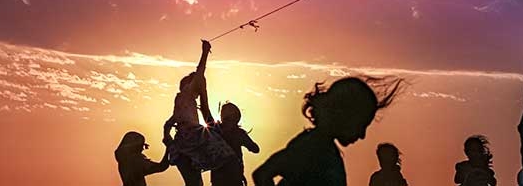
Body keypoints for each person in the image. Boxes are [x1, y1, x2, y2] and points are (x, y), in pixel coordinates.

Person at [252, 76, 403, 186]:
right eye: (361, 125)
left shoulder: (325, 148)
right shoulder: (313, 146)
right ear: (343, 116)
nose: (362, 135)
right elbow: (263, 174)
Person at [163, 40, 235, 186]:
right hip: (190, 136)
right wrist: (204, 52)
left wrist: (168, 135)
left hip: (183, 138)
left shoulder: (183, 100)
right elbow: (200, 71)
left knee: (194, 182)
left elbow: (172, 121)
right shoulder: (186, 94)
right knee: (225, 154)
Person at [211, 102, 260, 186]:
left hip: (220, 177)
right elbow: (255, 149)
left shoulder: (215, 130)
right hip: (233, 176)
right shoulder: (239, 133)